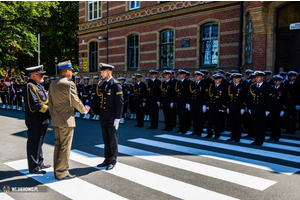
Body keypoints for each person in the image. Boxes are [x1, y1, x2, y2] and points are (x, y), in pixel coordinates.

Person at [48, 60, 87, 180]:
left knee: (58, 145)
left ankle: (57, 170)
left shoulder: (53, 84)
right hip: (66, 120)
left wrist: (53, 116)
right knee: (65, 147)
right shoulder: (69, 84)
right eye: (71, 71)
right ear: (67, 71)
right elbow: (74, 100)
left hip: (56, 120)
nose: (72, 73)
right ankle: (62, 172)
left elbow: (50, 103)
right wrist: (83, 110)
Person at [87, 63, 124, 170]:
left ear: (109, 72)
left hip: (112, 118)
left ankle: (112, 160)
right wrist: (88, 106)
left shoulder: (116, 85)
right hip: (103, 117)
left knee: (112, 140)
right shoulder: (102, 84)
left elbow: (120, 103)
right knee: (106, 139)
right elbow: (96, 98)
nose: (101, 73)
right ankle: (107, 159)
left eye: (103, 72)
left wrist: (118, 118)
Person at [23, 65, 51, 174]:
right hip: (35, 119)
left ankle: (39, 162)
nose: (42, 76)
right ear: (33, 75)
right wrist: (49, 110)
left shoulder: (38, 85)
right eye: (40, 75)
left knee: (40, 142)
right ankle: (34, 167)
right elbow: (35, 104)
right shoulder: (29, 85)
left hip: (42, 119)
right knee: (34, 143)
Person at [248, 71, 273, 146]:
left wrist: (268, 109)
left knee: (262, 126)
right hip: (254, 109)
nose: (257, 78)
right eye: (256, 77)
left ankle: (260, 140)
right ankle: (256, 139)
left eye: (258, 77)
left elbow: (269, 99)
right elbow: (250, 98)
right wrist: (249, 107)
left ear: (262, 77)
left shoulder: (267, 87)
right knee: (255, 126)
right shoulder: (253, 86)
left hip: (262, 110)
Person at [205, 73, 228, 139]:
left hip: (219, 107)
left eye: (217, 79)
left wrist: (223, 107)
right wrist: (208, 105)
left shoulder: (223, 87)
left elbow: (224, 97)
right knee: (209, 121)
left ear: (220, 79)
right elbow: (209, 96)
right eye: (215, 79)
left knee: (218, 122)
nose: (215, 80)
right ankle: (209, 133)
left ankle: (217, 134)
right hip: (212, 106)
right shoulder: (212, 86)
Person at [227, 73, 246, 142]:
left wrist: (243, 107)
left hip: (238, 108)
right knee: (232, 123)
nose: (234, 80)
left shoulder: (242, 87)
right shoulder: (231, 87)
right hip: (232, 107)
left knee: (238, 123)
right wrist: (228, 107)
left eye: (236, 78)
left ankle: (238, 137)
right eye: (233, 78)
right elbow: (229, 98)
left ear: (239, 79)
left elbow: (244, 98)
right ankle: (233, 136)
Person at [187, 71, 208, 137]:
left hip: (200, 104)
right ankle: (195, 131)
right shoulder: (192, 84)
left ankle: (199, 131)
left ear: (201, 77)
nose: (196, 77)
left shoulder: (204, 84)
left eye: (197, 76)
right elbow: (190, 94)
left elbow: (205, 95)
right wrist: (188, 103)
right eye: (195, 76)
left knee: (200, 119)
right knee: (194, 118)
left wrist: (205, 104)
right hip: (193, 104)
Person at [269, 75, 286, 141]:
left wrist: (283, 109)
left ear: (280, 82)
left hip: (278, 109)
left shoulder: (282, 90)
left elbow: (284, 100)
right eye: (275, 81)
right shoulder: (272, 89)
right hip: (272, 109)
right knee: (272, 123)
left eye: (278, 81)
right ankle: (272, 135)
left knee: (278, 124)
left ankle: (277, 136)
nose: (276, 82)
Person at [174, 69, 190, 134]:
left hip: (184, 101)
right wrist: (176, 101)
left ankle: (185, 128)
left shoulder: (188, 82)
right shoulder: (178, 82)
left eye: (181, 74)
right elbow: (176, 93)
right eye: (179, 74)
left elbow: (189, 93)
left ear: (184, 75)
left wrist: (188, 102)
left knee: (185, 116)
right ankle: (180, 128)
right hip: (179, 101)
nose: (180, 75)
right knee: (180, 116)